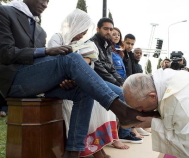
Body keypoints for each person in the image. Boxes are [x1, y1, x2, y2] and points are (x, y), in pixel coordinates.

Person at [0, 0, 158, 157]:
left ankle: (73, 151)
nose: (45, 4)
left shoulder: (40, 30)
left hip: (34, 81)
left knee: (83, 91)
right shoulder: (2, 12)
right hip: (14, 80)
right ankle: (122, 111)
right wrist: (46, 51)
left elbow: (41, 67)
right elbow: (4, 53)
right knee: (71, 57)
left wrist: (60, 77)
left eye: (47, 1)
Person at [48, 9, 129, 157]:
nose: (83, 33)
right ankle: (94, 150)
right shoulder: (57, 39)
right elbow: (54, 65)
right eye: (81, 29)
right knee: (93, 99)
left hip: (77, 82)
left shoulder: (84, 44)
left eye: (85, 30)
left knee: (102, 105)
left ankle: (98, 147)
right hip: (60, 84)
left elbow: (88, 65)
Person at [90, 18, 124, 87]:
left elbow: (112, 68)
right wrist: (117, 84)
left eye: (111, 29)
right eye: (105, 29)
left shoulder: (108, 46)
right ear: (98, 29)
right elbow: (99, 69)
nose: (109, 32)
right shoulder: (91, 44)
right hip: (96, 82)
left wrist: (122, 82)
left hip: (107, 81)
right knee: (122, 94)